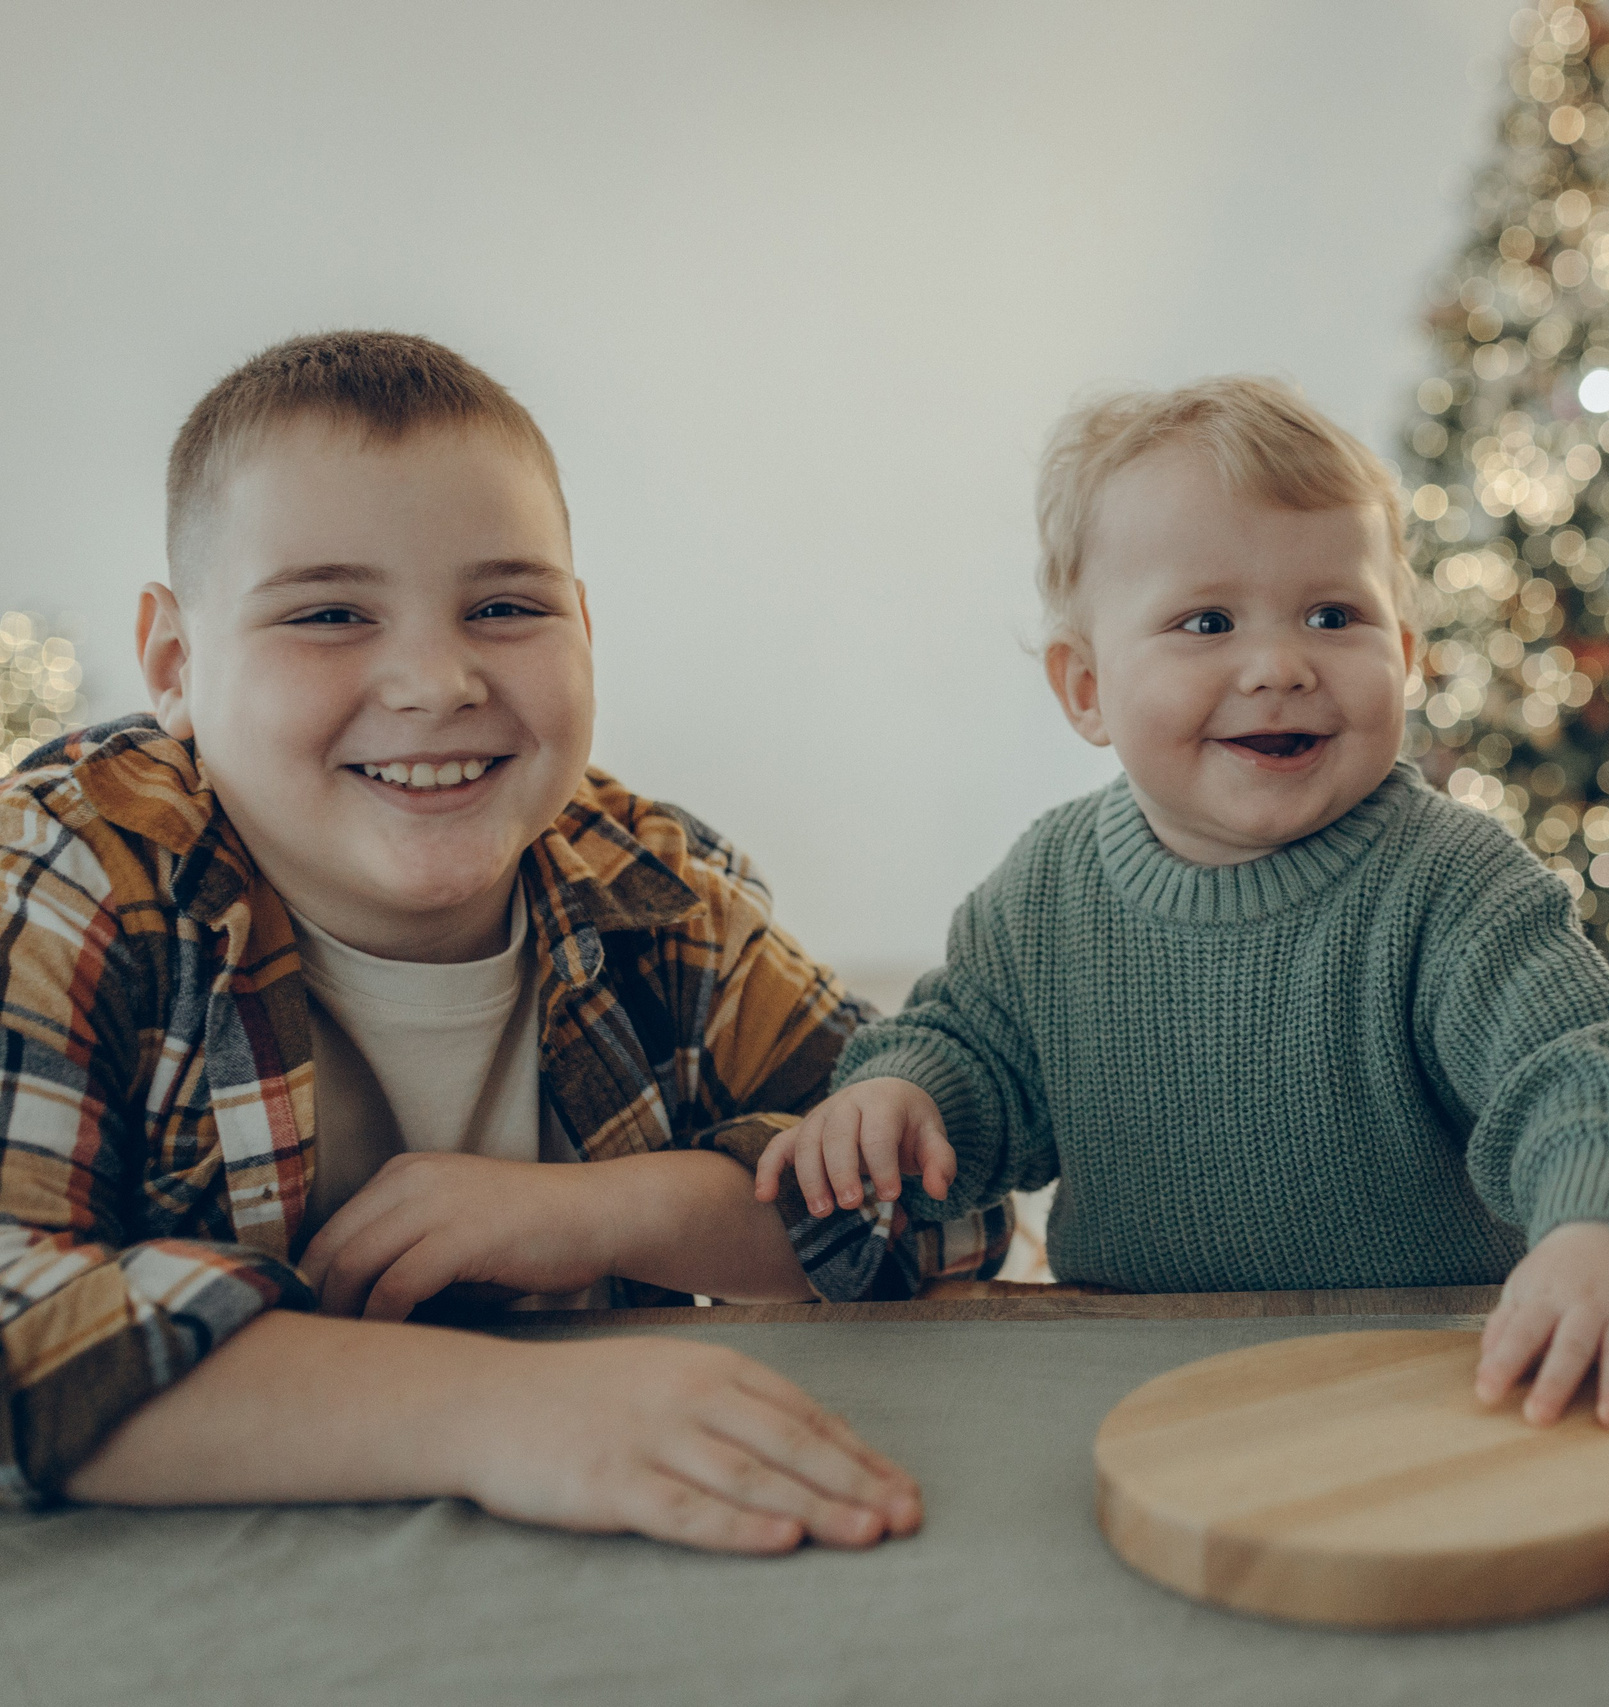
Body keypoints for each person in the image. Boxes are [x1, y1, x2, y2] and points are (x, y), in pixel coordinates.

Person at [0, 331, 1001, 1549]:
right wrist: (499, 1411)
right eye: (326, 613)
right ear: (174, 660)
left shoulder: (653, 891)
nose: (436, 679)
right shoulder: (64, 875)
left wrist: (599, 1212)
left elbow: (954, 1198)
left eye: (505, 606)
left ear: (582, 625)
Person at [754, 377, 1609, 1428]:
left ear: (1401, 656)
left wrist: (1598, 1236)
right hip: (1136, 1390)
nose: (1278, 665)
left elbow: (1579, 1069)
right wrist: (902, 1098)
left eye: (1332, 615)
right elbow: (972, 1051)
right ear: (1085, 689)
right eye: (1206, 621)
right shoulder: (1046, 891)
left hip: (1433, 1380)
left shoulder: (1451, 883)